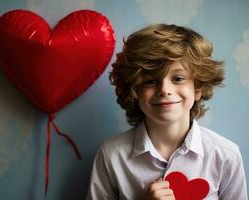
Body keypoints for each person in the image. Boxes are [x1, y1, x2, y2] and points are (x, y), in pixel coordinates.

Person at [86, 24, 248, 200]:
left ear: (197, 88)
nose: (165, 90)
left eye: (178, 78)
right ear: (134, 90)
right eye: (150, 81)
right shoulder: (111, 154)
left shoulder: (225, 155)